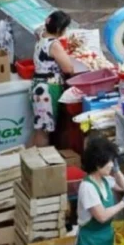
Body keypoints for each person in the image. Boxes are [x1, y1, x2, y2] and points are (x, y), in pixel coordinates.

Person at [31, 10, 74, 147]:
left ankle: (31, 160)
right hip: (47, 90)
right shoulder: (53, 44)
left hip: (38, 86)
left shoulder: (41, 35)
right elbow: (68, 68)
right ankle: (40, 163)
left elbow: (37, 29)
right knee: (43, 132)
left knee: (41, 129)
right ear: (60, 29)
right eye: (65, 28)